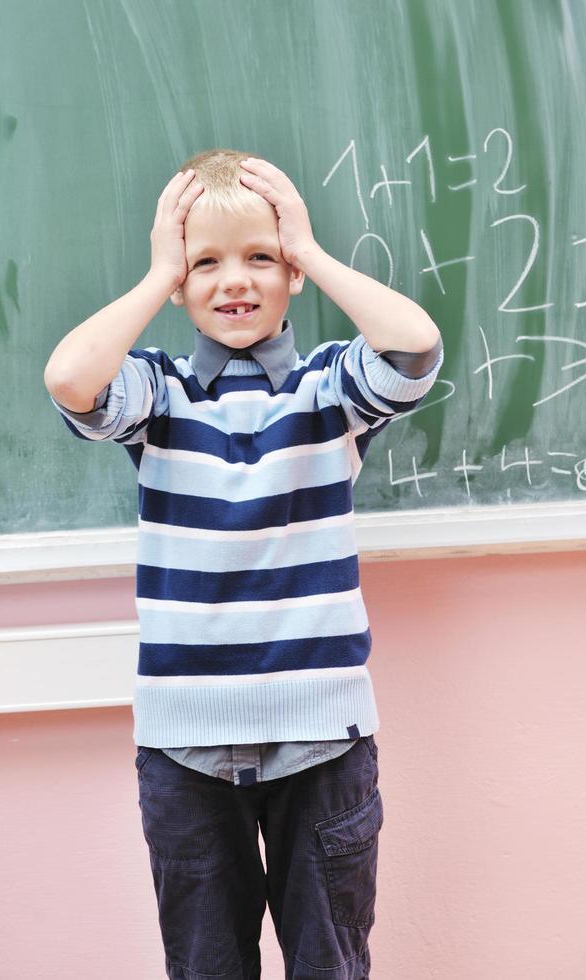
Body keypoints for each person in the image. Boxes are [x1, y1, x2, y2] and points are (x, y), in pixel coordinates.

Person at [44, 148, 443, 980]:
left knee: (330, 967)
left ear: (291, 269)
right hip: (186, 753)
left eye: (262, 257)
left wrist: (315, 251)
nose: (236, 280)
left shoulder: (328, 389)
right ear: (180, 283)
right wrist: (158, 272)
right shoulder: (157, 395)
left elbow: (415, 349)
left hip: (322, 745)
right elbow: (71, 380)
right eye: (207, 263)